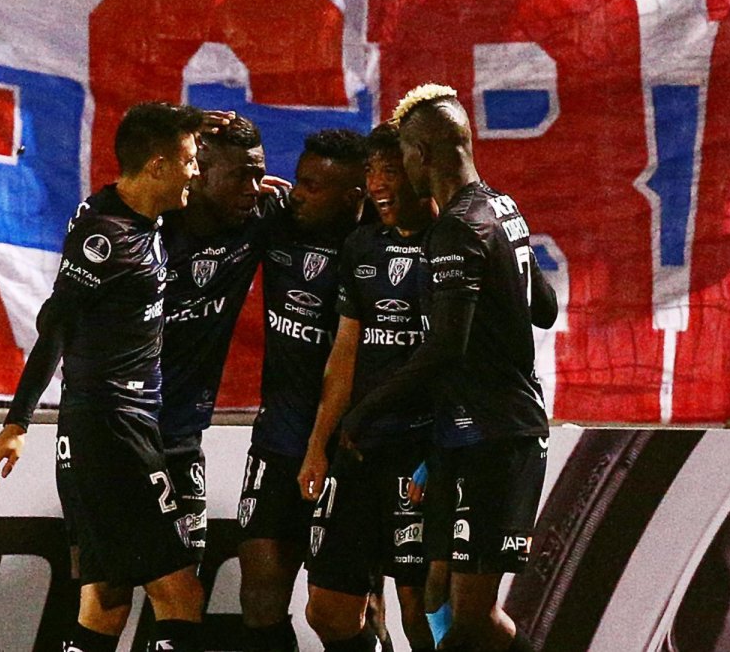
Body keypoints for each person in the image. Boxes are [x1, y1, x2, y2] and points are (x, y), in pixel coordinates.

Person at [337, 84, 558, 652]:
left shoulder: (457, 227)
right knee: (437, 596)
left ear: (426, 154)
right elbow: (545, 307)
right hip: (466, 435)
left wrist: (363, 411)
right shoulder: (501, 207)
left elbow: (444, 350)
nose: (400, 168)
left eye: (405, 154)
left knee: (468, 623)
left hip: (496, 437)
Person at [0, 101, 207, 652]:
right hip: (112, 431)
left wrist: (198, 124)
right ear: (156, 166)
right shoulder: (106, 237)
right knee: (180, 596)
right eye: (190, 160)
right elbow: (56, 327)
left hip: (101, 430)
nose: (196, 171)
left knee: (106, 600)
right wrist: (17, 423)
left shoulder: (118, 210)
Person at [297, 121, 437, 652]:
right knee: (328, 610)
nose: (379, 183)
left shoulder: (456, 239)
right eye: (373, 171)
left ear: (421, 171)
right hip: (358, 451)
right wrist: (317, 446)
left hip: (423, 450)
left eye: (392, 170)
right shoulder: (361, 246)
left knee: (423, 613)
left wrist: (440, 455)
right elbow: (346, 351)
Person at [236, 129, 376, 652]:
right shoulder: (275, 225)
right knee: (260, 596)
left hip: (347, 449)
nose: (298, 192)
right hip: (278, 437)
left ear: (352, 197)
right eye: (301, 179)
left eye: (315, 187)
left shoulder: (377, 249)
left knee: (337, 615)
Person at [158, 114, 280, 566]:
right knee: (103, 592)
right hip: (115, 431)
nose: (253, 187)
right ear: (199, 172)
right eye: (240, 176)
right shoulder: (144, 225)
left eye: (258, 174)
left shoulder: (262, 218)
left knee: (185, 578)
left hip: (182, 435)